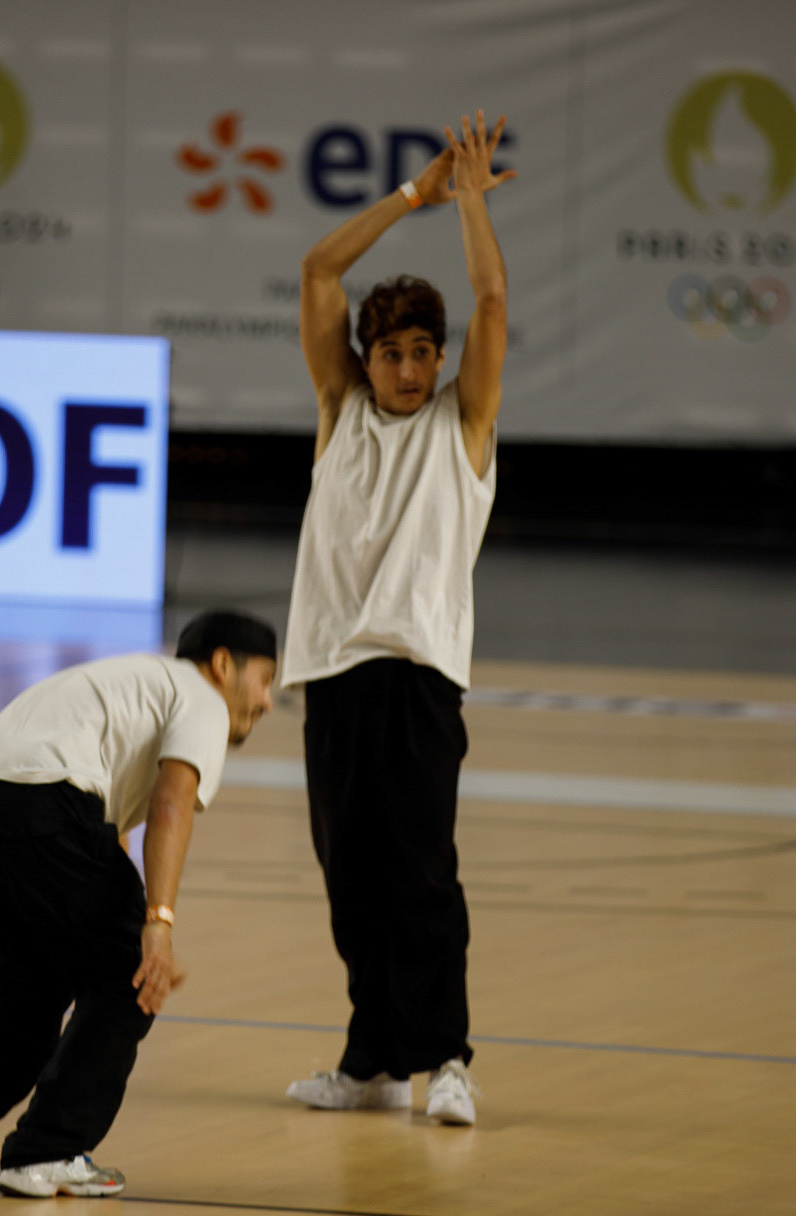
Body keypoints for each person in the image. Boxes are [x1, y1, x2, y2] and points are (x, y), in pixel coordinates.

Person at [281, 111, 515, 1127]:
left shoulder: (464, 422)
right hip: (332, 675)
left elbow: (493, 298)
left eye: (424, 351)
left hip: (419, 675)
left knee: (422, 875)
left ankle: (446, 1060)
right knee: (350, 880)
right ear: (364, 359)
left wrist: (465, 202)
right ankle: (371, 1060)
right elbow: (318, 271)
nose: (410, 370)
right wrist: (412, 193)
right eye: (392, 353)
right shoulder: (339, 411)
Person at [0, 610, 278, 1197]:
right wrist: (156, 925)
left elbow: (108, 834)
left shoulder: (134, 683)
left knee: (31, 981)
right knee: (132, 975)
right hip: (38, 804)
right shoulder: (202, 697)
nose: (267, 702)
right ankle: (47, 1152)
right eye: (265, 680)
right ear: (222, 665)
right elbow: (171, 805)